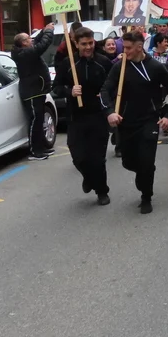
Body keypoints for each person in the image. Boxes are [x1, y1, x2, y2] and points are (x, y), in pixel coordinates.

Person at [103, 31, 168, 214]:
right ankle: (142, 172)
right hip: (126, 121)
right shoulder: (119, 67)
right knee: (128, 162)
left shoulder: (155, 67)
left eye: (128, 48)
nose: (124, 51)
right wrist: (110, 112)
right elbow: (105, 90)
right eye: (124, 47)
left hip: (149, 121)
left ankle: (146, 196)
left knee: (147, 161)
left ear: (139, 47)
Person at [53, 26, 113, 205]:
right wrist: (69, 91)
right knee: (78, 156)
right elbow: (56, 88)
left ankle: (102, 191)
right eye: (84, 44)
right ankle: (88, 177)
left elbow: (115, 84)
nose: (88, 47)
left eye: (91, 43)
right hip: (76, 117)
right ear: (76, 44)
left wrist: (105, 94)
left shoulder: (103, 62)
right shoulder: (68, 64)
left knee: (97, 158)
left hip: (98, 115)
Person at [11, 24, 56, 160]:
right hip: (32, 92)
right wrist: (48, 32)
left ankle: (41, 147)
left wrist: (43, 30)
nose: (31, 40)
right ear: (23, 43)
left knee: (40, 119)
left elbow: (37, 41)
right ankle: (35, 151)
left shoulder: (26, 50)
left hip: (38, 90)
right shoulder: (24, 54)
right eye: (28, 39)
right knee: (35, 120)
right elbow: (41, 46)